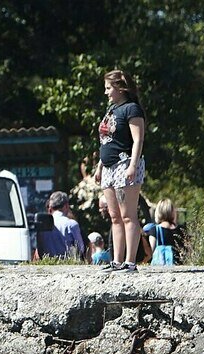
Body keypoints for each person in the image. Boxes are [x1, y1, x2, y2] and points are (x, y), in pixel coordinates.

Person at [95, 70, 146, 273]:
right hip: (108, 167)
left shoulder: (132, 109)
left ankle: (130, 262)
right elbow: (107, 141)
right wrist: (99, 166)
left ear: (120, 87)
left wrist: (133, 165)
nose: (106, 93)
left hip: (125, 165)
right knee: (114, 216)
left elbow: (138, 139)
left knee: (128, 215)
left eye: (109, 88)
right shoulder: (111, 109)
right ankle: (116, 260)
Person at [37, 191, 84, 258]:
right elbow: (80, 249)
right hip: (67, 265)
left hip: (47, 264)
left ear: (51, 207)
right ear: (66, 205)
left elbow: (40, 250)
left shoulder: (43, 225)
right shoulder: (72, 224)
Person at [145, 198, 183, 265]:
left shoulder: (154, 230)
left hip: (160, 264)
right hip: (178, 265)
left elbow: (151, 251)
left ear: (158, 212)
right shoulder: (181, 230)